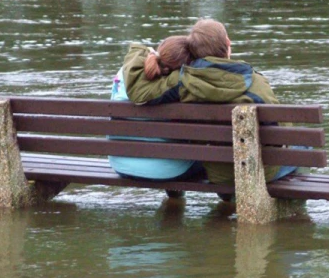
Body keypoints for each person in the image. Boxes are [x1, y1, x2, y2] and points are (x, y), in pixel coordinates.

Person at [122, 19, 300, 193]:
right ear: (228, 43)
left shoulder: (184, 81)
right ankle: (291, 209)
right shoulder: (255, 83)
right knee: (302, 148)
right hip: (256, 172)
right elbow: (280, 134)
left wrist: (144, 51)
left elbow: (139, 91)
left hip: (217, 173)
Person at [108, 36, 205, 186]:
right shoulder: (179, 85)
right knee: (212, 159)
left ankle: (174, 202)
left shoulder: (125, 72)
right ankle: (227, 201)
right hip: (170, 170)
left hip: (120, 164)